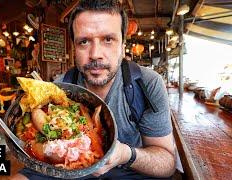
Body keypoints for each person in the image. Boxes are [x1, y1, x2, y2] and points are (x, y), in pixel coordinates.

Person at [12, 0, 176, 179]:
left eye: (108, 39)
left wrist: (125, 155)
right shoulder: (58, 88)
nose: (95, 53)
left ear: (122, 46)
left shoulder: (145, 84)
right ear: (74, 48)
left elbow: (167, 164)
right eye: (83, 42)